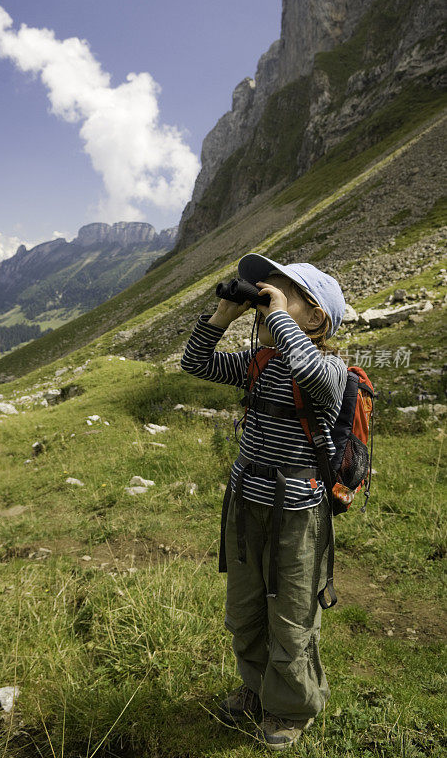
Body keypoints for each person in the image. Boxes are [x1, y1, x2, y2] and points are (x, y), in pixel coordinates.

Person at [180, 253, 347, 751]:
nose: (264, 303)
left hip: (296, 515)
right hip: (245, 505)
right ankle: (256, 689)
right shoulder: (259, 363)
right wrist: (223, 317)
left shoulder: (331, 371)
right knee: (246, 607)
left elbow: (312, 374)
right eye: (262, 295)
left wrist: (276, 317)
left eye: (279, 293)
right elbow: (195, 363)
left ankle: (292, 707)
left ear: (315, 316)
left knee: (291, 615)